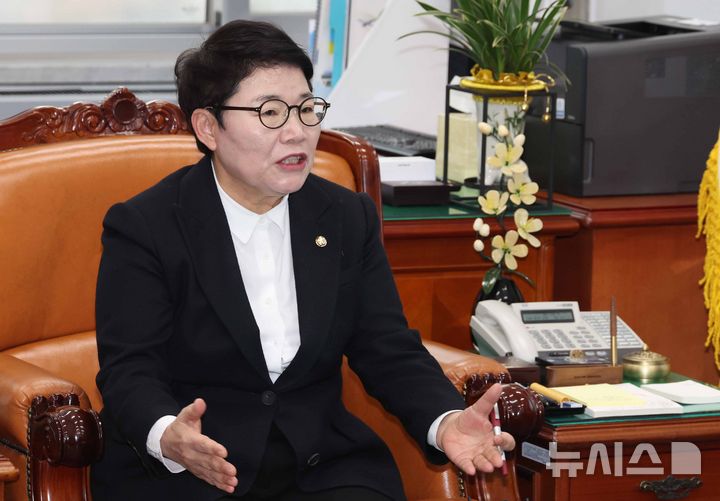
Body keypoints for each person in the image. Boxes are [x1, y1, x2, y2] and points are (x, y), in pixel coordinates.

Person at [91, 19, 514, 501]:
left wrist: (445, 421)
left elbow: (386, 347)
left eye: (307, 109)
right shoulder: (147, 226)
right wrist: (167, 434)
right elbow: (129, 369)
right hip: (196, 471)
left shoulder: (345, 216)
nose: (297, 132)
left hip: (321, 469)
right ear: (208, 127)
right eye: (270, 112)